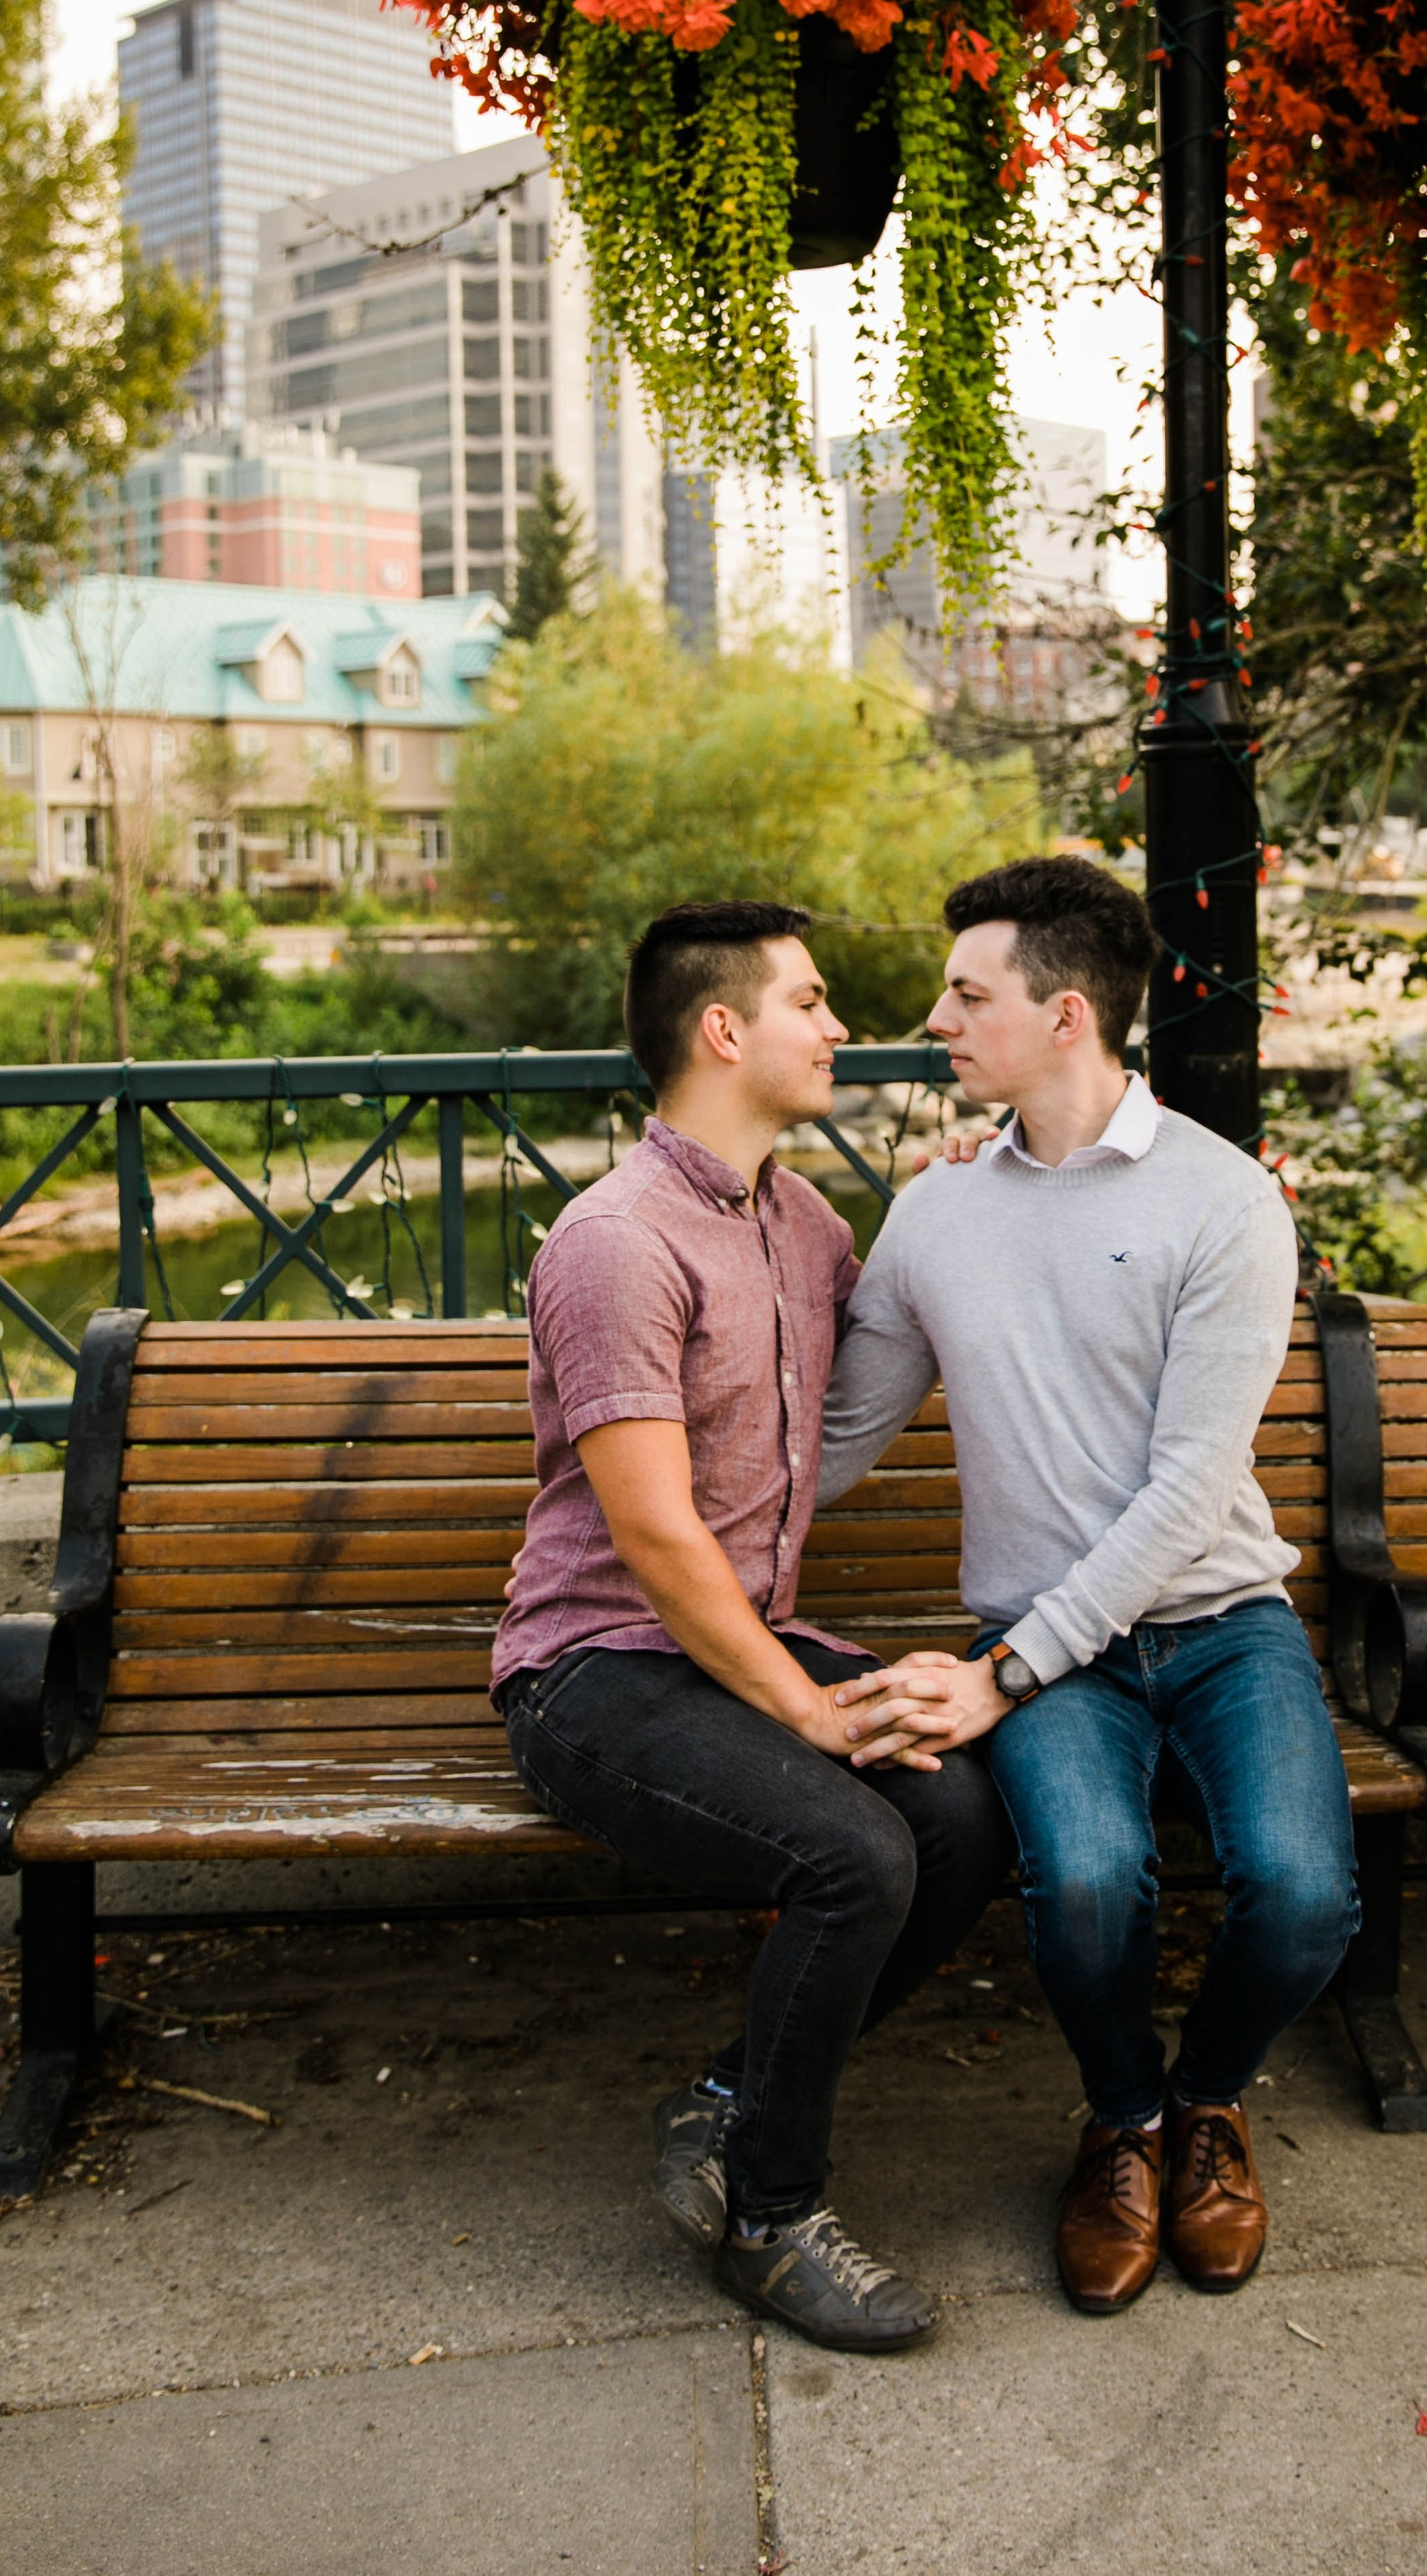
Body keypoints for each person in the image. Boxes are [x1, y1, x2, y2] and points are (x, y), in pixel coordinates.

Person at [817, 854, 1360, 2315]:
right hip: (1046, 1643)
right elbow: (844, 1438)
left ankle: (1212, 2104)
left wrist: (1003, 1675)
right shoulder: (936, 1214)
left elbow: (1191, 1493)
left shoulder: (1226, 1201)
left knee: (1305, 1893)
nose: (935, 1018)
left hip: (1221, 1625)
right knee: (1088, 1890)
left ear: (1065, 1016)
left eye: (965, 993)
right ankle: (1122, 2121)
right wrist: (655, 1535)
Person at [492, 900, 1010, 2357]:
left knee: (970, 1814)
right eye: (813, 1000)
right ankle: (774, 2216)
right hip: (595, 1671)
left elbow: (877, 1366)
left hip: (736, 1647)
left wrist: (958, 1193)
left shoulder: (803, 1222)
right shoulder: (614, 1241)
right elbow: (653, 1536)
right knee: (851, 1851)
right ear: (725, 1030)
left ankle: (726, 2106)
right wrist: (811, 1709)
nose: (840, 1027)